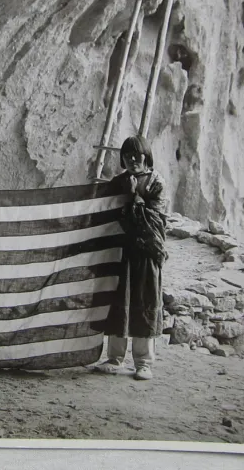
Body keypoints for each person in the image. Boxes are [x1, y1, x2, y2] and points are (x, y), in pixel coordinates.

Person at [94, 135, 168, 381]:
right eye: (127, 156)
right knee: (119, 301)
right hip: (122, 252)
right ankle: (115, 358)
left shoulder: (157, 183)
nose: (133, 160)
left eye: (137, 155)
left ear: (147, 155)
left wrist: (135, 195)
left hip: (147, 252)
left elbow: (154, 220)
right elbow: (103, 211)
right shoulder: (118, 182)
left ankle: (143, 363)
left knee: (144, 303)